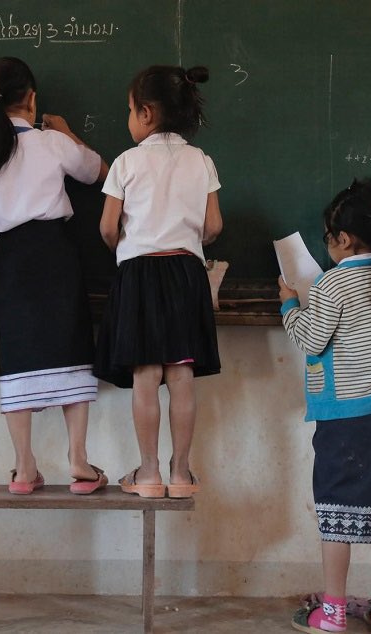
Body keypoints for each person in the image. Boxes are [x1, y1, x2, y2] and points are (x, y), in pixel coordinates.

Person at [0, 57, 110, 495]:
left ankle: (23, 467)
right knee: (72, 349)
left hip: (11, 259)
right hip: (58, 254)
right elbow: (101, 172)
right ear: (32, 99)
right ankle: (78, 460)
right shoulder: (52, 143)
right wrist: (69, 133)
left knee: (17, 357)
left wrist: (7, 258)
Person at [280, 173, 371, 633]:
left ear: (342, 238)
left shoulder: (332, 284)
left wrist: (288, 306)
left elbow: (312, 340)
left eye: (328, 237)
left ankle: (334, 610)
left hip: (343, 418)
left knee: (336, 513)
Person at [95, 64, 223, 499]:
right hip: (186, 272)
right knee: (181, 374)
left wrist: (125, 245)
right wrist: (189, 238)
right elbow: (214, 226)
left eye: (130, 109)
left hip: (140, 272)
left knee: (146, 374)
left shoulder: (125, 162)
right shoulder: (201, 160)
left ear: (146, 113)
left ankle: (148, 473)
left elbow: (107, 227)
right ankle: (181, 474)